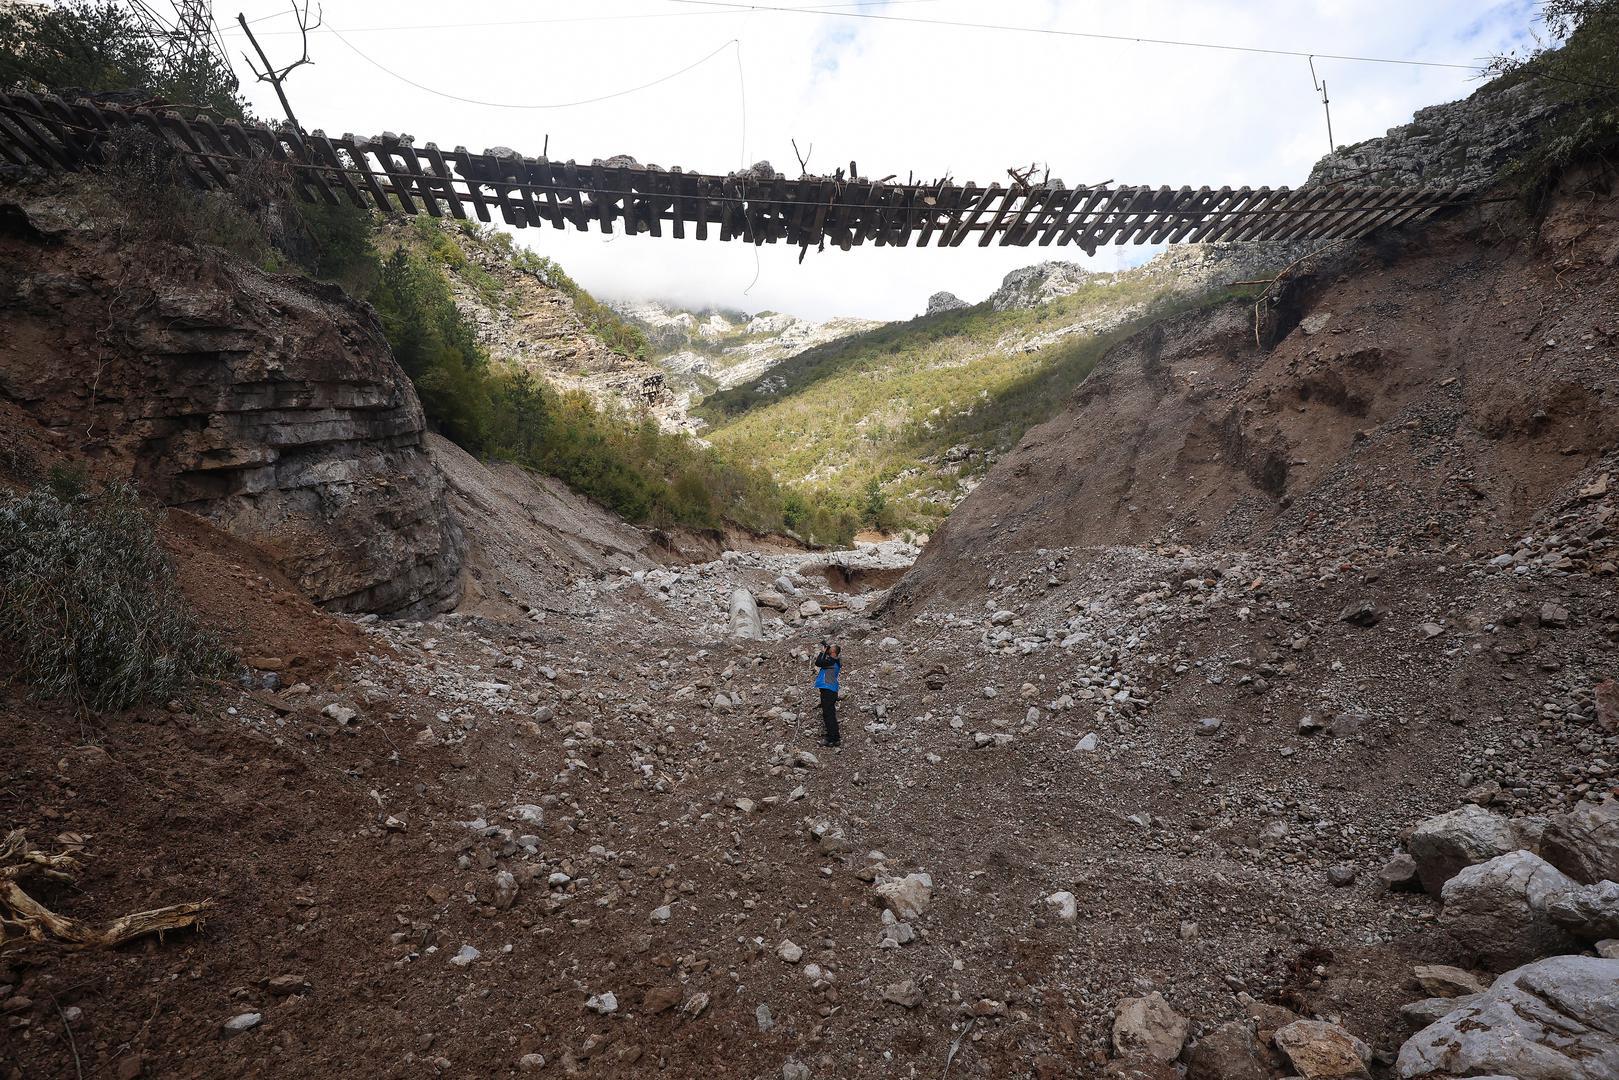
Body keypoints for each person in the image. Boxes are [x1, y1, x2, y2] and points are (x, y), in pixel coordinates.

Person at [813, 641, 842, 747]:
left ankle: (831, 738)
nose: (829, 649)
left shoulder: (831, 661)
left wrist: (822, 652)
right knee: (831, 715)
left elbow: (818, 663)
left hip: (828, 690)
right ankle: (835, 738)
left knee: (828, 715)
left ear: (834, 652)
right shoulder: (834, 661)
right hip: (831, 690)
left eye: (831, 648)